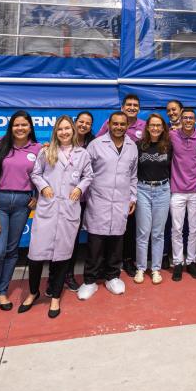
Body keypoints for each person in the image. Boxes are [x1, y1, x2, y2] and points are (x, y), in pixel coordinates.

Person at [21, 115, 93, 318]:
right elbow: (36, 174)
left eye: (67, 128)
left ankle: (55, 296)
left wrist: (80, 188)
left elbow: (89, 175)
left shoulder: (82, 154)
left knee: (63, 254)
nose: (64, 132)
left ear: (73, 130)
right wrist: (43, 187)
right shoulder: (46, 151)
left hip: (69, 208)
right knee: (36, 254)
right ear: (55, 132)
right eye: (60, 129)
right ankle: (33, 292)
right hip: (48, 207)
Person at [0, 110, 41, 317]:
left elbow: (43, 174)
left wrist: (37, 195)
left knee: (12, 250)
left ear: (30, 127)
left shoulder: (38, 148)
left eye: (24, 125)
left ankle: (2, 292)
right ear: (11, 126)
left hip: (23, 204)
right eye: (16, 124)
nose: (20, 128)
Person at [77, 112, 138, 300]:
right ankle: (90, 281)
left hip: (121, 201)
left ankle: (113, 277)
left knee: (116, 242)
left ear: (127, 126)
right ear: (109, 124)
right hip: (99, 201)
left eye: (122, 124)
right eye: (115, 124)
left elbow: (133, 175)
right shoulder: (96, 145)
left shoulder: (132, 147)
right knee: (95, 243)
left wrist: (132, 198)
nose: (119, 127)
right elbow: (85, 173)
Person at [96, 95, 144, 275]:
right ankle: (104, 263)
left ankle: (128, 260)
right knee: (106, 227)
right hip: (109, 183)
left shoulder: (144, 126)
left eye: (135, 105)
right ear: (122, 107)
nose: (132, 107)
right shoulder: (110, 123)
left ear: (139, 108)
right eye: (128, 105)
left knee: (129, 225)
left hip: (133, 180)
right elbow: (97, 145)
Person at [169, 107, 196, 281]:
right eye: (184, 117)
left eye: (191, 118)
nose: (187, 120)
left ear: (195, 120)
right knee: (176, 229)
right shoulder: (172, 135)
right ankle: (178, 262)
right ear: (180, 119)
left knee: (194, 229)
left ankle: (192, 261)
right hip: (177, 190)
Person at [133, 113, 172, 285]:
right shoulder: (138, 145)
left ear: (163, 128)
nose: (155, 128)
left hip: (163, 190)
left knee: (158, 233)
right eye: (152, 125)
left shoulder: (168, 146)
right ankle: (141, 268)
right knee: (143, 232)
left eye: (158, 125)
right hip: (142, 189)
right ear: (147, 127)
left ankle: (156, 268)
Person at [65, 111, 96, 292]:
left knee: (74, 238)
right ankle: (56, 275)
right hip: (63, 198)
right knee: (61, 237)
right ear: (75, 123)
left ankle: (69, 274)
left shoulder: (93, 144)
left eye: (88, 123)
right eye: (81, 122)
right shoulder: (64, 140)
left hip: (83, 199)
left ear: (91, 127)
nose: (84, 125)